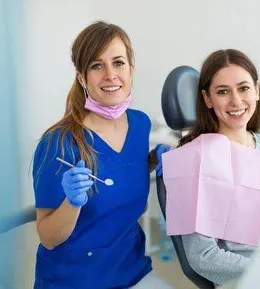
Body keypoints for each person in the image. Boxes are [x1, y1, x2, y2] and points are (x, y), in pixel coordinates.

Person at [32, 21, 172, 289]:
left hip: (131, 270)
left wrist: (154, 158)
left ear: (131, 69)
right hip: (74, 280)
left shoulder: (140, 123)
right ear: (82, 77)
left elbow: (121, 172)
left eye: (118, 62)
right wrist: (72, 203)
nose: (110, 74)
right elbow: (48, 237)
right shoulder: (58, 144)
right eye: (97, 65)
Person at [160, 49, 260, 286]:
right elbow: (202, 257)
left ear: (256, 91)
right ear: (207, 99)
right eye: (223, 92)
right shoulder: (195, 161)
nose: (236, 101)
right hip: (245, 279)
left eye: (244, 88)